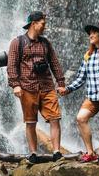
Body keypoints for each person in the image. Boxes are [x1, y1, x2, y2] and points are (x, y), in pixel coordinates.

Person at [58, 22, 99, 166]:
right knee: (81, 118)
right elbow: (81, 78)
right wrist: (68, 89)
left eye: (94, 33)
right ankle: (90, 153)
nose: (91, 35)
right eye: (90, 33)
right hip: (93, 97)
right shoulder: (88, 55)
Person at [7, 11, 66, 164]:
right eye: (43, 23)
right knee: (30, 122)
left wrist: (61, 83)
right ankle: (33, 153)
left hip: (47, 87)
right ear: (34, 23)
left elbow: (54, 63)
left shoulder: (46, 43)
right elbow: (12, 65)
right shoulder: (17, 42)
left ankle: (57, 152)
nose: (45, 26)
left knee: (55, 119)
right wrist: (15, 85)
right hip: (27, 87)